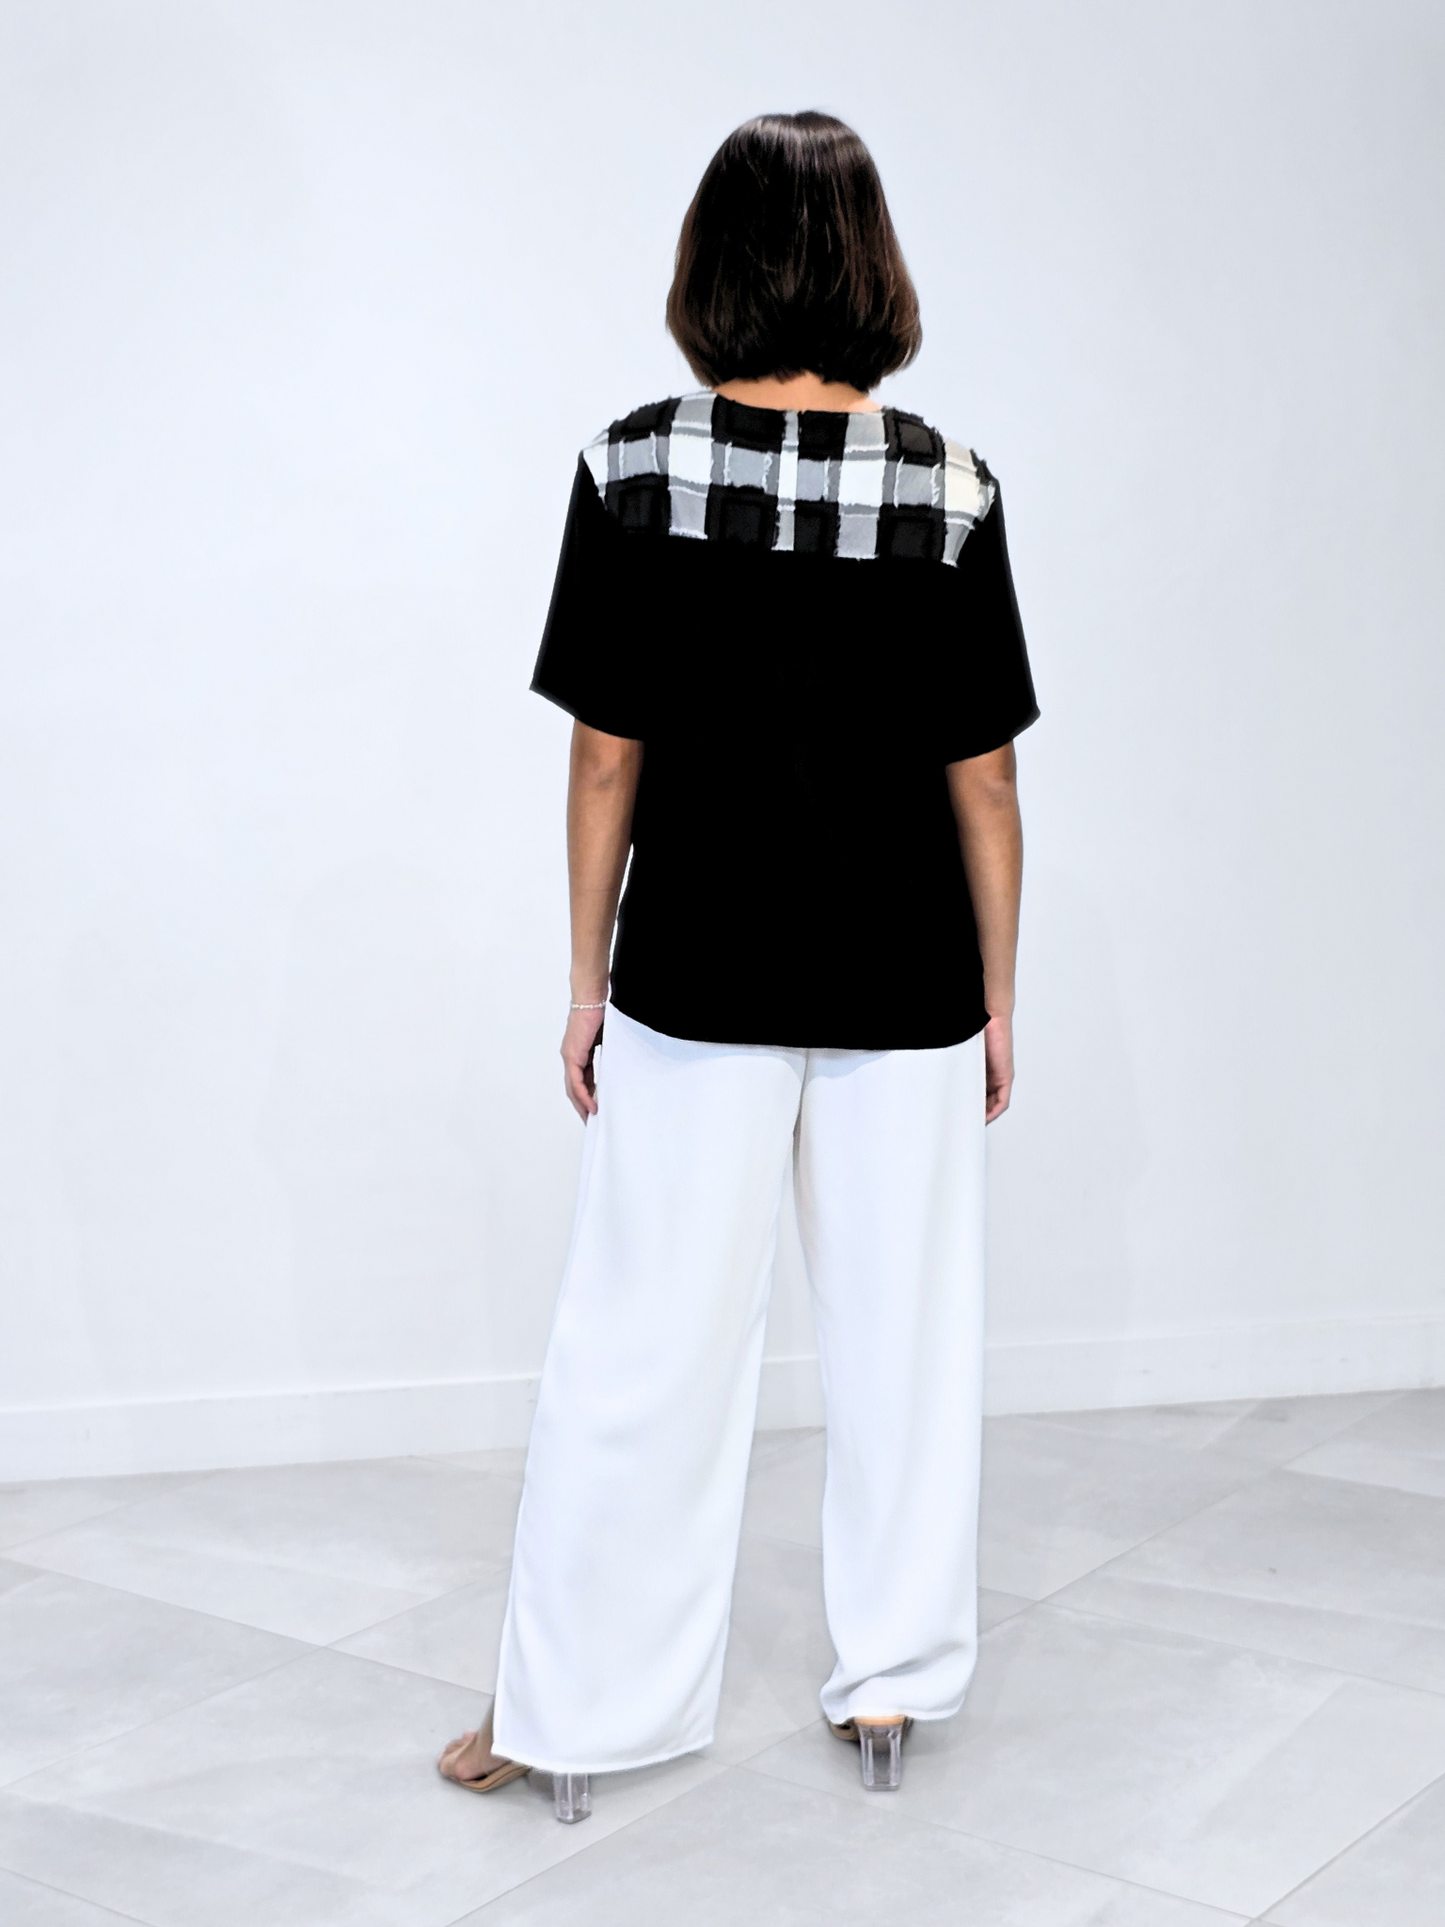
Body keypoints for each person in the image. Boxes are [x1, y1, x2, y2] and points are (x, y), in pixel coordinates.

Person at [439, 109, 1037, 1820]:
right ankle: (893, 1687)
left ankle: (573, 1712)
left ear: (712, 260)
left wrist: (584, 979)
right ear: (871, 265)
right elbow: (985, 778)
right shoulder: (950, 484)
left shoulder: (631, 470)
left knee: (641, 1345)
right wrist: (1000, 993)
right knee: (907, 1342)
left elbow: (604, 760)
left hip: (693, 977)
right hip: (906, 981)